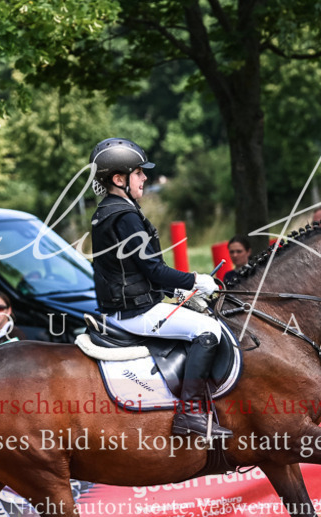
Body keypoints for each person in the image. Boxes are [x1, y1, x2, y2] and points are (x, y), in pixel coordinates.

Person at [88, 137, 229, 439]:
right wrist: (195, 280)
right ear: (118, 178)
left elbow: (130, 271)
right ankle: (190, 413)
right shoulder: (124, 216)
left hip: (125, 306)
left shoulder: (108, 211)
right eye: (138, 173)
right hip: (136, 313)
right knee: (209, 330)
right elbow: (153, 269)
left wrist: (175, 293)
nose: (145, 178)